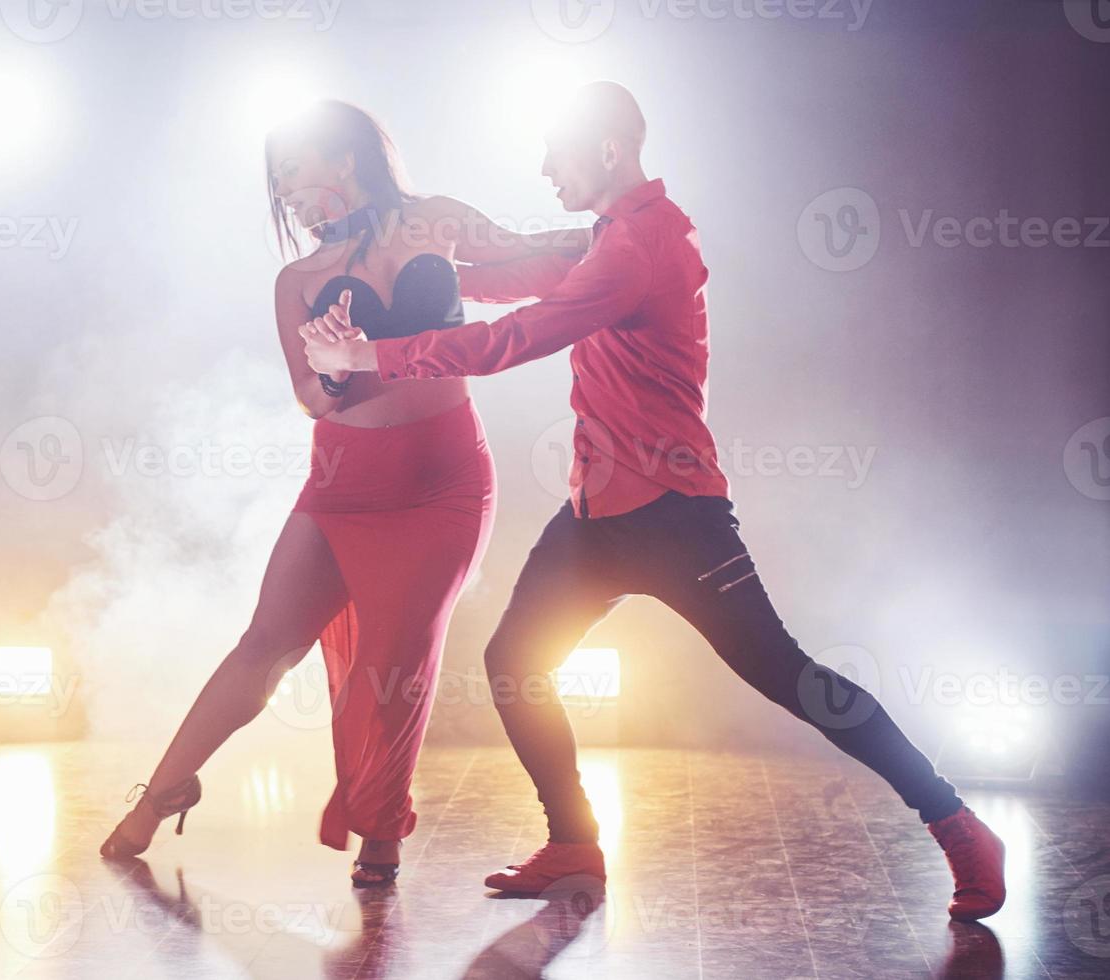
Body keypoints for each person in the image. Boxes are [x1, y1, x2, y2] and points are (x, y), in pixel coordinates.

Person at [302, 81, 1007, 920]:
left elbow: (514, 337)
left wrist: (372, 352)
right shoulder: (607, 237)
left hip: (676, 515)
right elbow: (515, 272)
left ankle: (958, 825)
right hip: (596, 517)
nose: (541, 168)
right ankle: (573, 845)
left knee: (791, 679)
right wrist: (394, 266)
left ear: (605, 150)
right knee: (515, 665)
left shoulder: (643, 246)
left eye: (554, 153)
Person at [101, 100, 586, 887]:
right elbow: (313, 398)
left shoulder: (436, 222)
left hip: (442, 486)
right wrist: (334, 367)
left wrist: (615, 234)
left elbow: (528, 259)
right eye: (277, 181)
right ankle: (161, 792)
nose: (284, 192)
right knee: (265, 644)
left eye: (291, 170)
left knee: (396, 662)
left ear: (343, 160)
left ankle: (381, 834)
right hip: (342, 486)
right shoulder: (299, 281)